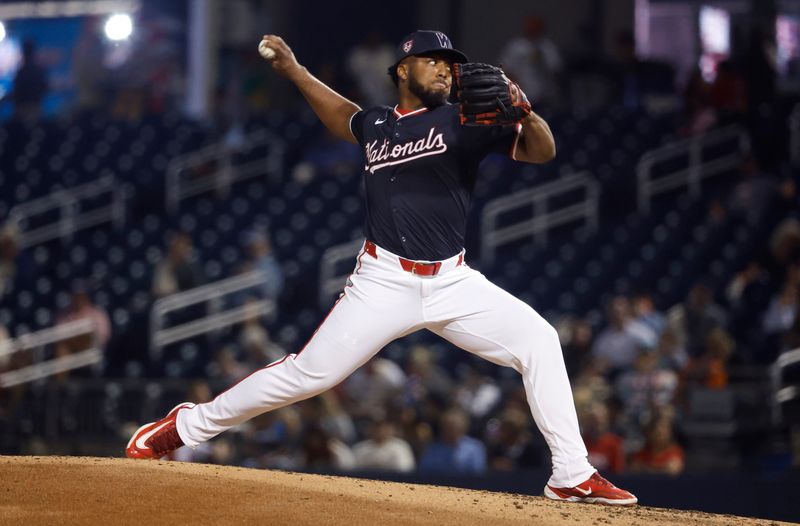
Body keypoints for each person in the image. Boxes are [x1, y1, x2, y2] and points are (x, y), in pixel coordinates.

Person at [126, 29, 636, 505]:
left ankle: (570, 474)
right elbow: (342, 116)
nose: (443, 70)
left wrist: (526, 110)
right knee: (307, 376)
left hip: (453, 281)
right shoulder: (377, 125)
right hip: (383, 281)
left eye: (448, 63)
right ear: (402, 70)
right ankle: (185, 426)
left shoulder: (465, 119)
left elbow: (541, 151)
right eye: (431, 61)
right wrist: (296, 71)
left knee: (540, 340)